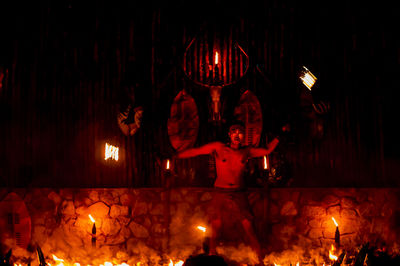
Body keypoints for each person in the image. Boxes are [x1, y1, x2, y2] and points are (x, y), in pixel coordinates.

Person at [177, 122, 281, 264]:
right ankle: (211, 259)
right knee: (215, 227)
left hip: (238, 192)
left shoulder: (247, 151)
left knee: (249, 227)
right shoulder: (219, 148)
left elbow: (267, 150)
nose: (237, 135)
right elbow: (196, 151)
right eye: (234, 132)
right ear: (229, 134)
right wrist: (176, 155)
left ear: (244, 136)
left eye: (240, 132)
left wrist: (280, 135)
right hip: (220, 191)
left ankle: (260, 260)